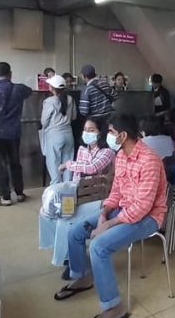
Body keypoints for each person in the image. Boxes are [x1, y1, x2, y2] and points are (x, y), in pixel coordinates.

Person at [54, 114, 168, 318]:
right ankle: (82, 277)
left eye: (112, 132)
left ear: (123, 135)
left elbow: (143, 207)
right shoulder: (121, 155)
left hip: (148, 218)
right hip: (121, 209)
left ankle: (113, 307)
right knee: (76, 230)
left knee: (99, 246)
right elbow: (115, 191)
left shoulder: (150, 160)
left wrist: (109, 225)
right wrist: (104, 212)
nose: (109, 136)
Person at [38, 118, 117, 276]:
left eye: (92, 130)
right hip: (78, 195)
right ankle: (65, 252)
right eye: (86, 129)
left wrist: (68, 164)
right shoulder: (82, 149)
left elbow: (92, 168)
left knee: (65, 219)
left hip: (96, 198)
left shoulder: (107, 152)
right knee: (48, 212)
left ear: (99, 133)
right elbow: (76, 177)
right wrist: (69, 194)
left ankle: (72, 262)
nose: (87, 133)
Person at [0, 62, 33, 206]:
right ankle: (20, 193)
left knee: (0, 166)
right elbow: (30, 90)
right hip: (14, 133)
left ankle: (5, 198)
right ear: (10, 73)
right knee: (15, 163)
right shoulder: (20, 89)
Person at [39, 74, 76, 185]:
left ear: (52, 88)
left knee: (54, 166)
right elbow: (74, 117)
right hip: (69, 135)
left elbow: (44, 122)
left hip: (54, 136)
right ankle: (68, 194)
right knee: (68, 164)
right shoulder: (70, 99)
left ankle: (56, 195)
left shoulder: (49, 102)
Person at [77, 64, 117, 133]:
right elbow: (115, 96)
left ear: (84, 76)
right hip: (109, 118)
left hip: (95, 121)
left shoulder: (86, 89)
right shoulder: (104, 83)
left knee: (95, 141)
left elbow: (84, 111)